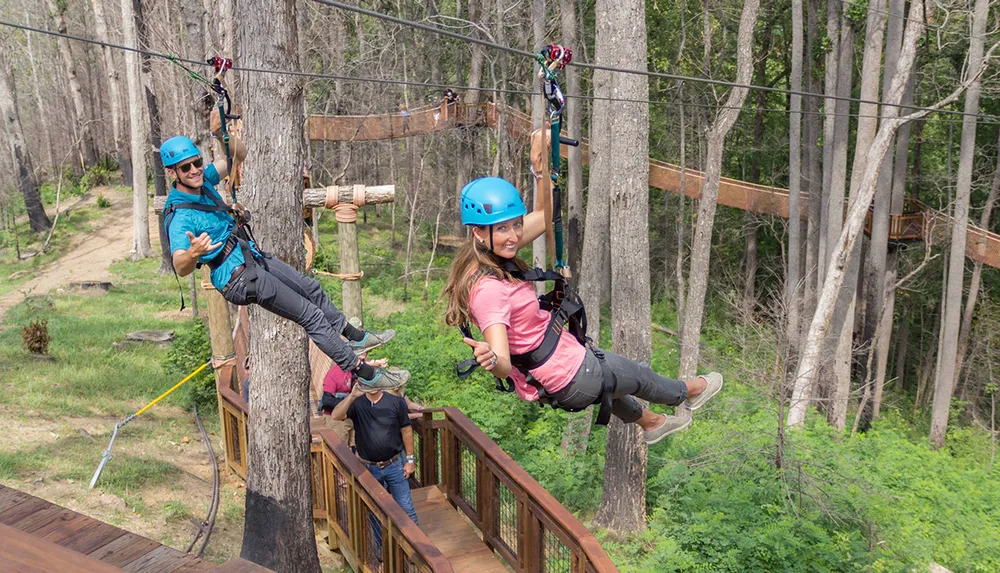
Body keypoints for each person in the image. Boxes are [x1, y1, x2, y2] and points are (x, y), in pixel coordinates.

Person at [443, 177, 724, 444]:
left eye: (516, 224)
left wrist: (540, 170)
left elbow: (544, 214)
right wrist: (491, 359)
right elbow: (503, 365)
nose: (514, 235)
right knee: (639, 376)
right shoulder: (489, 289)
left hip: (560, 373)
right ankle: (689, 392)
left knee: (610, 384)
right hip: (569, 375)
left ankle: (651, 423)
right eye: (503, 228)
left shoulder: (490, 252)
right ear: (478, 232)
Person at [160, 110, 407, 390]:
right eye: (185, 168)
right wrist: (192, 254)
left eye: (195, 163)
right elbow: (180, 265)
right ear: (172, 173)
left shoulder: (204, 181)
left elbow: (237, 156)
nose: (193, 170)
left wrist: (221, 135)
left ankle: (354, 334)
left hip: (250, 258)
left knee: (311, 289)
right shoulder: (180, 216)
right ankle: (365, 374)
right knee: (310, 315)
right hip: (237, 278)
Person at [331, 380, 418, 550]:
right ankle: (382, 550)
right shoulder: (357, 403)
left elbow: (406, 430)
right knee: (376, 511)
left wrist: (410, 460)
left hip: (394, 464)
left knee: (406, 507)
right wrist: (352, 395)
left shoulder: (395, 402)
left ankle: (414, 548)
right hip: (368, 468)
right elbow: (336, 415)